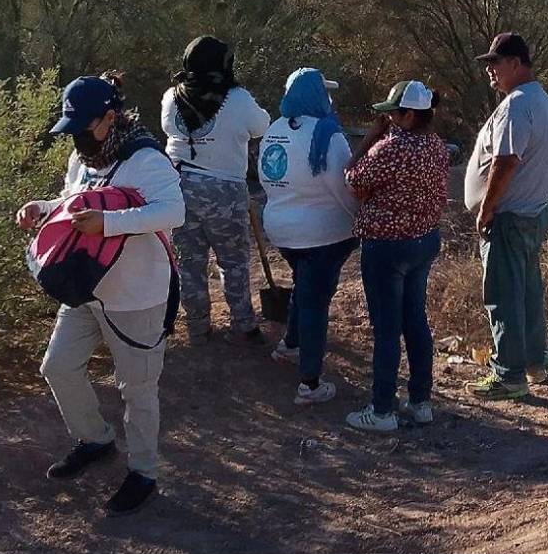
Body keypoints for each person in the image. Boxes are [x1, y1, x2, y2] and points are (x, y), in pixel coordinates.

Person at [19, 73, 185, 516]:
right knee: (58, 367)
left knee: (137, 389)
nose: (76, 137)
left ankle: (144, 473)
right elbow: (71, 201)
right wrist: (43, 209)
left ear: (110, 118)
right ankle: (95, 439)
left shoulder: (145, 159)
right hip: (88, 287)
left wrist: (109, 224)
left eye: (83, 126)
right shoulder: (83, 156)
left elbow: (174, 212)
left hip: (137, 297)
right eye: (70, 128)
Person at [343, 80, 451, 432]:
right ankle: (420, 402)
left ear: (409, 115)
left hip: (387, 246)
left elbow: (353, 179)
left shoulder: (390, 148)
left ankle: (381, 410)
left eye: (393, 113)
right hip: (423, 241)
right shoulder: (437, 146)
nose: (388, 118)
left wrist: (369, 139)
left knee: (387, 329)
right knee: (415, 321)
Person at [462, 32, 548, 401]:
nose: (489, 69)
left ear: (516, 63)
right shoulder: (541, 100)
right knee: (528, 291)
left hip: (509, 217)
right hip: (532, 212)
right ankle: (534, 362)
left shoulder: (518, 105)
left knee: (503, 295)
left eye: (495, 62)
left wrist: (487, 208)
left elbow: (505, 161)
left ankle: (509, 376)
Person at [161, 36, 271, 346]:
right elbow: (261, 126)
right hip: (224, 190)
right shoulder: (237, 98)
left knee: (189, 261)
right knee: (233, 261)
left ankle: (198, 327)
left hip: (178, 187)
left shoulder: (171, 96)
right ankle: (243, 324)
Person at [258, 69, 359, 405]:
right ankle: (310, 383)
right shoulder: (327, 134)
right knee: (316, 302)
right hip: (323, 233)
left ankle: (290, 344)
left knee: (304, 286)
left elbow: (266, 177)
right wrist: (358, 218)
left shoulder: (274, 129)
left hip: (281, 229)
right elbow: (344, 187)